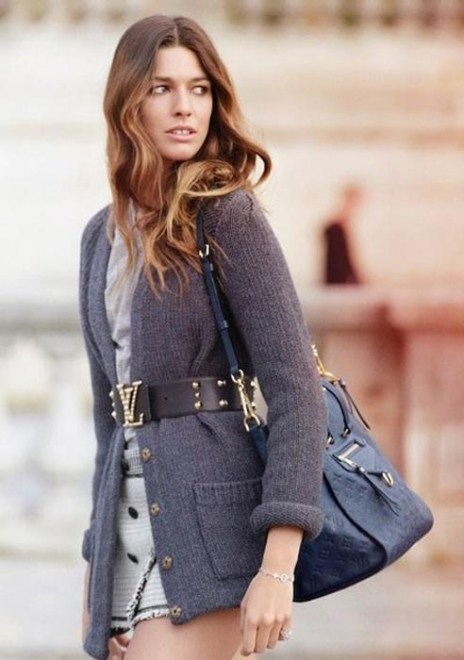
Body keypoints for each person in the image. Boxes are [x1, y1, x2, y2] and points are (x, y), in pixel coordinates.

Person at [79, 14, 327, 660]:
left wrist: (278, 567)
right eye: (161, 88)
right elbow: (110, 421)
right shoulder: (99, 238)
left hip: (208, 533)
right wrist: (95, 566)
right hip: (124, 539)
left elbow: (297, 393)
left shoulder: (225, 214)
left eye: (199, 89)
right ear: (128, 101)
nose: (184, 107)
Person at [322, 184, 363, 285]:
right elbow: (339, 261)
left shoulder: (339, 227)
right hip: (337, 281)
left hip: (339, 280)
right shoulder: (335, 229)